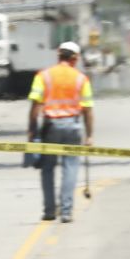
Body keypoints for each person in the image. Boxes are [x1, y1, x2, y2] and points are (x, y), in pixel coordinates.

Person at [28, 41, 94, 223]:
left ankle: (49, 210)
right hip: (73, 127)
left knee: (47, 168)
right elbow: (87, 109)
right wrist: (89, 135)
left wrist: (32, 131)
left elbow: (35, 105)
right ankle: (66, 211)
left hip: (51, 127)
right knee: (70, 168)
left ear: (58, 56)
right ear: (75, 59)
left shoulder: (44, 76)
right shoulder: (81, 79)